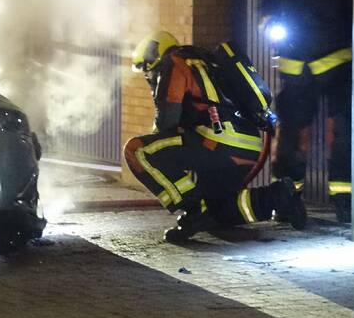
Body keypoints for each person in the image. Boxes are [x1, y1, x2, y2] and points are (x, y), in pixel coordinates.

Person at [123, 31, 306, 242]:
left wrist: (163, 150)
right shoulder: (209, 63)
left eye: (148, 69)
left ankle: (192, 209)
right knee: (217, 211)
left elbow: (167, 122)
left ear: (156, 55)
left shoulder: (174, 62)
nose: (149, 76)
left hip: (215, 141)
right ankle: (278, 197)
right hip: (246, 146)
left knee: (138, 150)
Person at [258, 0, 353, 222]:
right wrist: (270, 25)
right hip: (295, 66)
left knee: (345, 133)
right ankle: (286, 199)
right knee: (289, 138)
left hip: (338, 63)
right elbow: (265, 9)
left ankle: (345, 200)